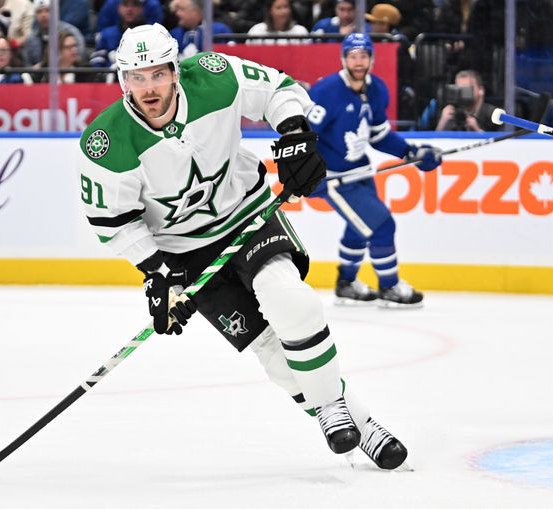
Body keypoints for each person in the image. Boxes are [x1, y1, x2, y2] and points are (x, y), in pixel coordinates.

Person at [76, 23, 409, 470]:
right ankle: (363, 425)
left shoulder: (214, 75)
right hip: (184, 252)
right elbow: (114, 221)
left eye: (157, 74)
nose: (148, 88)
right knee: (269, 350)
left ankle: (332, 409)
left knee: (288, 297)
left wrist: (293, 134)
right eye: (137, 77)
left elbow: (278, 90)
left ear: (175, 71)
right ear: (122, 81)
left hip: (248, 216)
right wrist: (157, 273)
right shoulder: (105, 143)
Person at [306, 33, 442, 307]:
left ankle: (346, 283)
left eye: (364, 56)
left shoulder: (377, 89)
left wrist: (410, 153)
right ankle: (389, 286)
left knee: (359, 227)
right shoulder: (326, 91)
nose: (358, 62)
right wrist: (308, 174)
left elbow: (379, 136)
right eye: (353, 56)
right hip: (334, 177)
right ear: (343, 59)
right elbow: (303, 135)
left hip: (361, 171)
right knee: (382, 225)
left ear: (371, 59)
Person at [22, 0, 85, 66]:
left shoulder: (70, 32)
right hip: (40, 74)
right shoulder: (31, 39)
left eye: (47, 11)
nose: (43, 15)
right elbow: (27, 65)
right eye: (39, 12)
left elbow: (79, 56)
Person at [435, 70, 502, 132]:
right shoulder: (452, 113)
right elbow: (435, 141)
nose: (462, 93)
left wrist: (477, 130)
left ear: (480, 90)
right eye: (459, 89)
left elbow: (505, 142)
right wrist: (442, 122)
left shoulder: (494, 114)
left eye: (466, 89)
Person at [90, 0, 146, 70]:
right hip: (112, 79)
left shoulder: (151, 34)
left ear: (141, 9)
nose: (130, 9)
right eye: (125, 4)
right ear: (119, 8)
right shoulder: (106, 35)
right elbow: (97, 60)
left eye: (134, 5)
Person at [31, 31, 98, 83]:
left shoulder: (85, 72)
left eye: (75, 46)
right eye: (69, 47)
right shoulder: (43, 72)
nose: (74, 50)